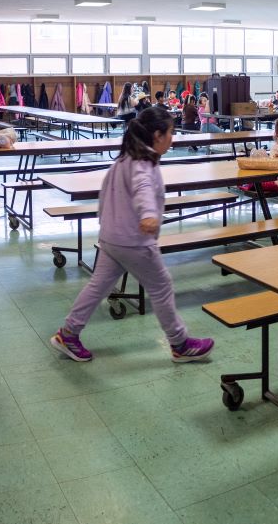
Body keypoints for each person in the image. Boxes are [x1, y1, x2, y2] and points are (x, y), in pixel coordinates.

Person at [49, 107, 216, 364]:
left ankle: (68, 333)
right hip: (133, 240)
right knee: (161, 286)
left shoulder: (125, 158)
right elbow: (143, 189)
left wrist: (108, 226)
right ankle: (180, 343)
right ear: (157, 135)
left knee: (99, 286)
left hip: (112, 238)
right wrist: (148, 215)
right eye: (170, 133)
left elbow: (106, 196)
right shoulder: (142, 164)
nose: (173, 138)